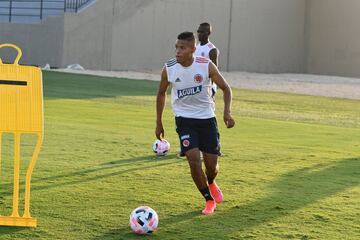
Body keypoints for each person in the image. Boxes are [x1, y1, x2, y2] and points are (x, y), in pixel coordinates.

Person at [155, 32, 235, 215]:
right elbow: (160, 93)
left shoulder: (205, 65)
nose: (177, 51)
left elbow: (225, 88)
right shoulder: (169, 68)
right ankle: (208, 199)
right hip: (184, 121)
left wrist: (227, 112)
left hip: (207, 120)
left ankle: (211, 181)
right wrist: (158, 121)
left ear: (192, 49)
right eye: (176, 47)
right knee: (193, 159)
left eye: (182, 48)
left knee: (212, 166)